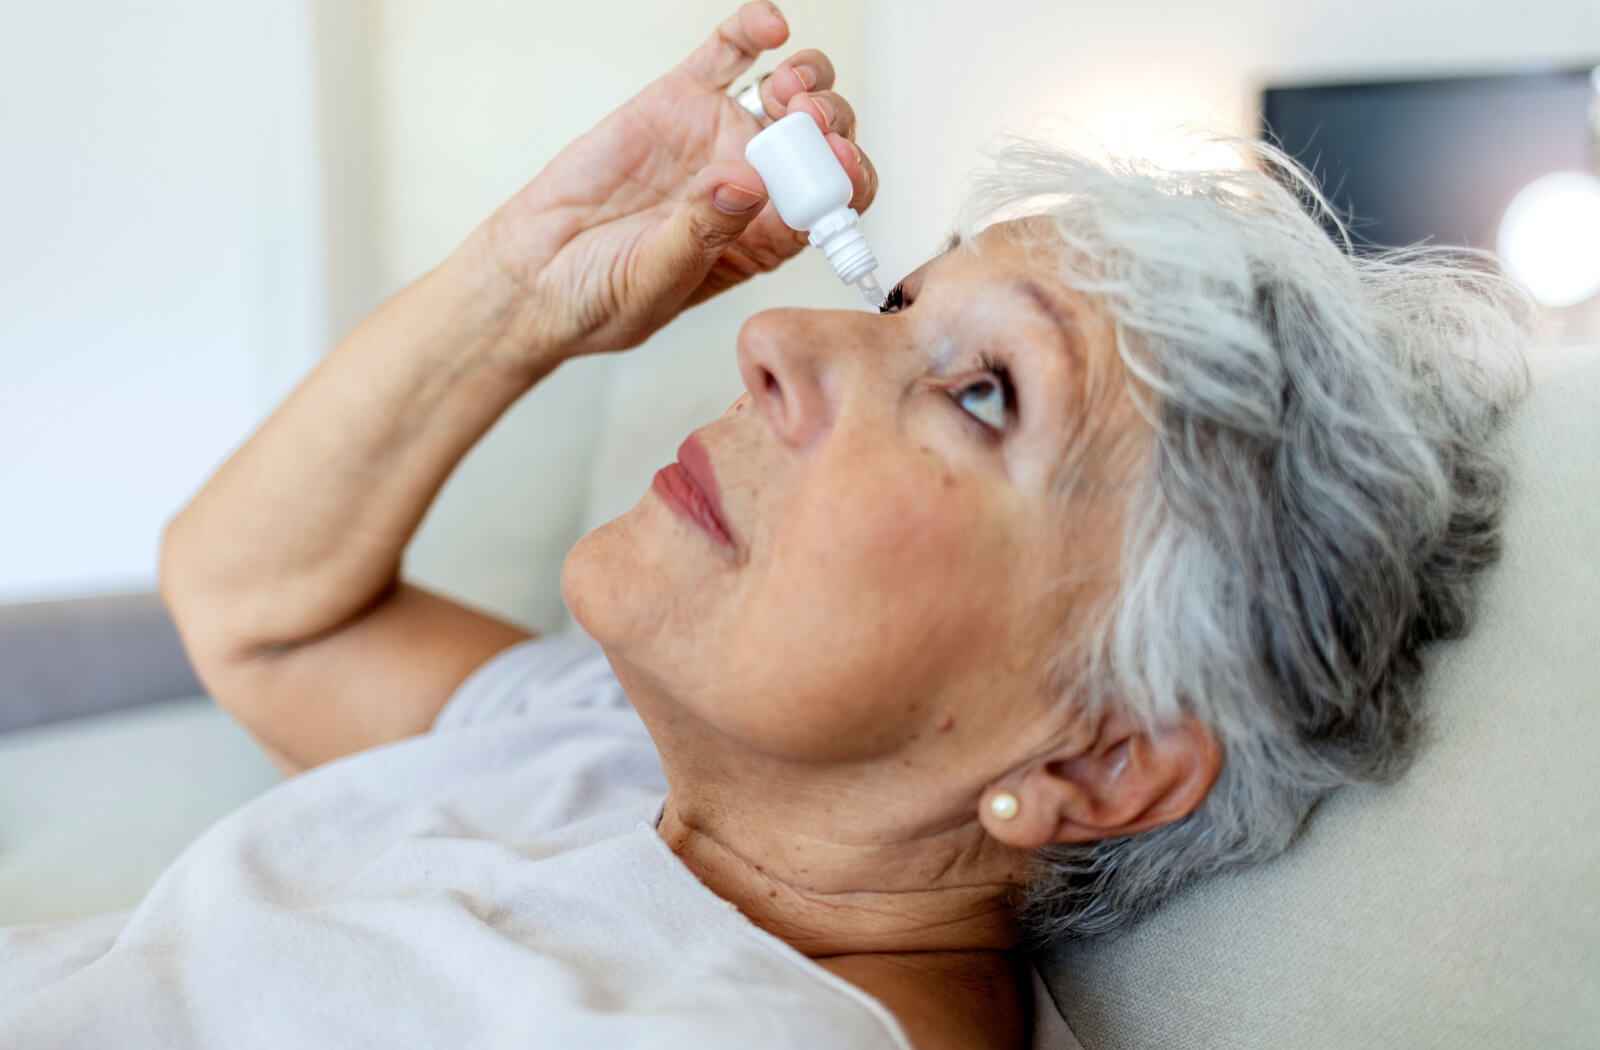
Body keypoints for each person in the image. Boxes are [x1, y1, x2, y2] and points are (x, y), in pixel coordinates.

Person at [0, 3, 1533, 1048]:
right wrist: (518, 297)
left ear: (1101, 758)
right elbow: (253, 604)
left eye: (984, 395)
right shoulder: (619, 752)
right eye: (907, 302)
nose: (782, 341)